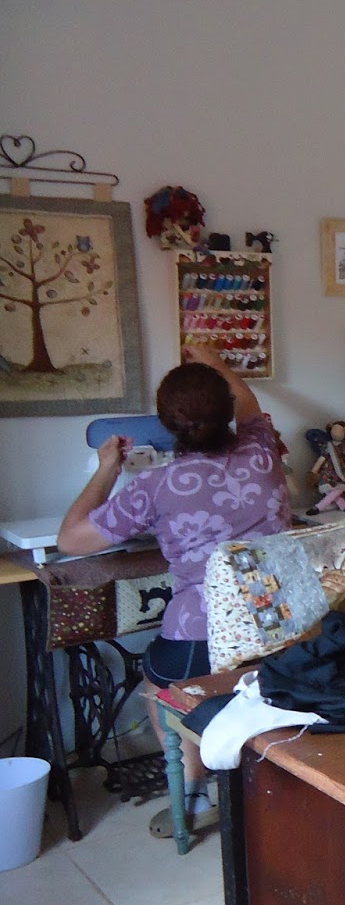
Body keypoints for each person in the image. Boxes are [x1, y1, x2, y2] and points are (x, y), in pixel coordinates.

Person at [56, 343, 291, 836]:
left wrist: (107, 467)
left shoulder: (155, 486)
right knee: (234, 675)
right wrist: (213, 359)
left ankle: (193, 790)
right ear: (226, 413)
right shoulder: (263, 453)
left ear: (168, 426)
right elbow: (248, 402)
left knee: (158, 683)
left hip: (201, 641)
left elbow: (71, 540)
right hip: (279, 629)